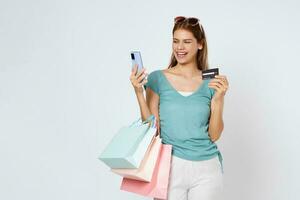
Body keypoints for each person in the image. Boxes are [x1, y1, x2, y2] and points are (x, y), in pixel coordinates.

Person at [129, 16, 229, 200]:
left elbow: (214, 135)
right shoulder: (158, 78)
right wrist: (138, 93)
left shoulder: (210, 81)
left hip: (207, 168)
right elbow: (152, 130)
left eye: (186, 42)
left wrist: (219, 100)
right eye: (175, 41)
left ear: (200, 44)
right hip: (169, 166)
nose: (179, 48)